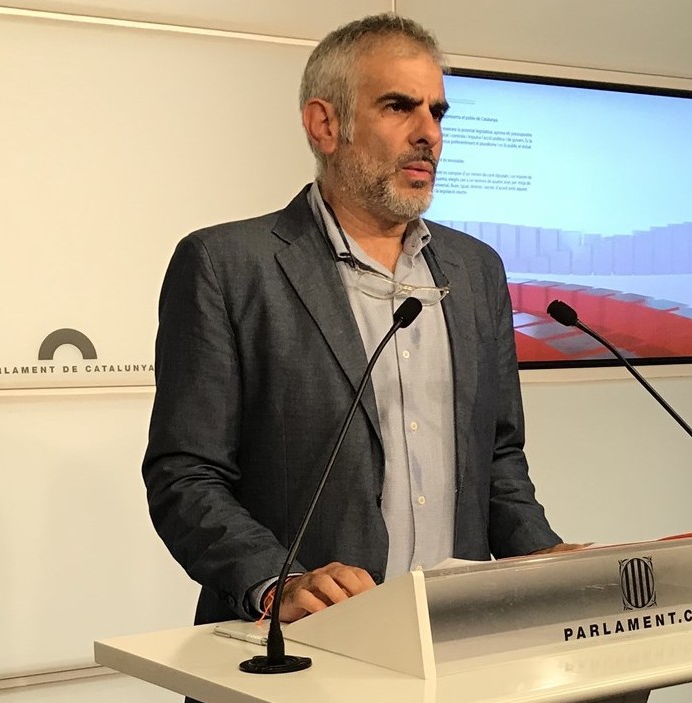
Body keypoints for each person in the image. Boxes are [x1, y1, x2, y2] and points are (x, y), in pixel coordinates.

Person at [142, 13, 578, 628]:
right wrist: (275, 581)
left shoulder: (477, 270)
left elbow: (498, 460)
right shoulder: (226, 266)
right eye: (399, 107)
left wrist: (546, 559)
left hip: (454, 638)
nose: (429, 134)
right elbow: (185, 475)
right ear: (325, 124)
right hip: (306, 643)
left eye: (438, 113)